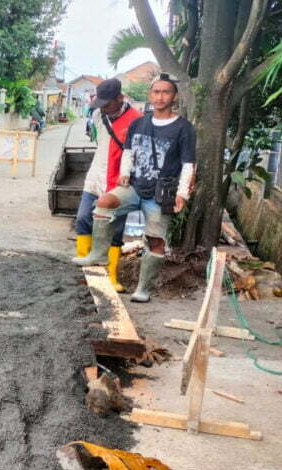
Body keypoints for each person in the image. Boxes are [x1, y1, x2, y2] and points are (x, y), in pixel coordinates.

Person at [74, 74, 196, 303]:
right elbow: (128, 152)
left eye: (165, 92)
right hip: (135, 186)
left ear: (174, 96)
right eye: (156, 92)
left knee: (155, 240)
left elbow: (188, 164)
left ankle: (144, 289)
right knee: (104, 203)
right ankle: (99, 255)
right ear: (150, 95)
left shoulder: (183, 128)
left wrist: (183, 193)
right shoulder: (139, 123)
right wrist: (124, 173)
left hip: (161, 193)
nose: (160, 97)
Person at [73, 78, 142, 292]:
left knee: (115, 228)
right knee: (84, 218)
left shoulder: (137, 121)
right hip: (96, 176)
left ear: (120, 98)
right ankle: (88, 270)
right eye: (100, 103)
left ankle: (111, 275)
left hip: (119, 181)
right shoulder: (98, 115)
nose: (103, 107)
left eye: (108, 103)